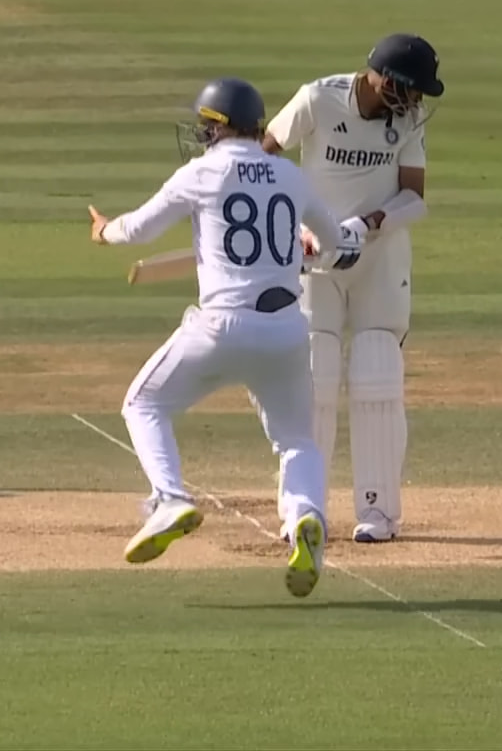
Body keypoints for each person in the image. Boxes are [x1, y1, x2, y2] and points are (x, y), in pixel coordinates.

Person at [89, 77, 363, 596]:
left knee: (143, 405)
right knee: (297, 441)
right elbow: (332, 247)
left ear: (218, 127)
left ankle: (170, 499)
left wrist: (104, 230)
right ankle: (305, 519)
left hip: (222, 326)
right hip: (285, 331)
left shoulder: (201, 173)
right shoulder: (291, 175)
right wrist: (310, 247)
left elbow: (139, 231)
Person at [262, 34, 441, 542]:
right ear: (386, 81)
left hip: (378, 261)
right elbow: (260, 160)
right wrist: (293, 224)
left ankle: (378, 513)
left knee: (376, 370)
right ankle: (302, 508)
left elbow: (416, 198)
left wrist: (367, 224)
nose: (416, 104)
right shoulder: (317, 98)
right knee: (313, 379)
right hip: (313, 261)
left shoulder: (404, 123)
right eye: (411, 91)